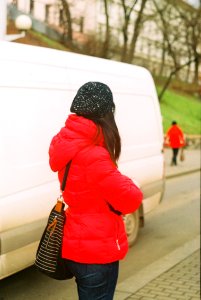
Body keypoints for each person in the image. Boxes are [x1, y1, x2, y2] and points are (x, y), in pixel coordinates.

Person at [49, 81, 143, 300]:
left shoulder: (66, 144)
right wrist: (129, 182)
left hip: (75, 244)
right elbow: (131, 200)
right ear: (104, 114)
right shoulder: (94, 155)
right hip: (96, 252)